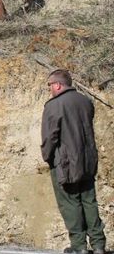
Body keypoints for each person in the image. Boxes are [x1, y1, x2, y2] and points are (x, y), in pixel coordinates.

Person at [41, 69, 106, 254]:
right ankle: (98, 244)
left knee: (70, 203)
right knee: (89, 201)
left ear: (57, 85)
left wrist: (47, 157)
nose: (49, 89)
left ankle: (79, 246)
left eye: (50, 85)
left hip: (65, 163)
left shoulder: (53, 105)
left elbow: (50, 137)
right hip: (87, 160)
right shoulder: (86, 101)